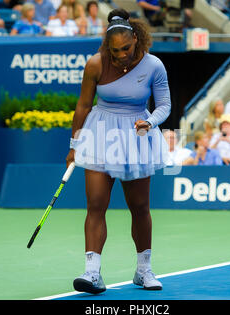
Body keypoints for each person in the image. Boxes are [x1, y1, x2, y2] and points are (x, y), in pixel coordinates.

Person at [65, 8, 171, 294]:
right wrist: (74, 145)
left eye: (125, 48)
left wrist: (149, 122)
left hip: (136, 135)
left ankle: (143, 270)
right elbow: (83, 106)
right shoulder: (96, 64)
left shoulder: (154, 66)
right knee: (96, 204)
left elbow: (164, 105)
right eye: (115, 51)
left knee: (139, 207)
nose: (121, 55)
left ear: (136, 39)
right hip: (100, 134)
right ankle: (92, 273)